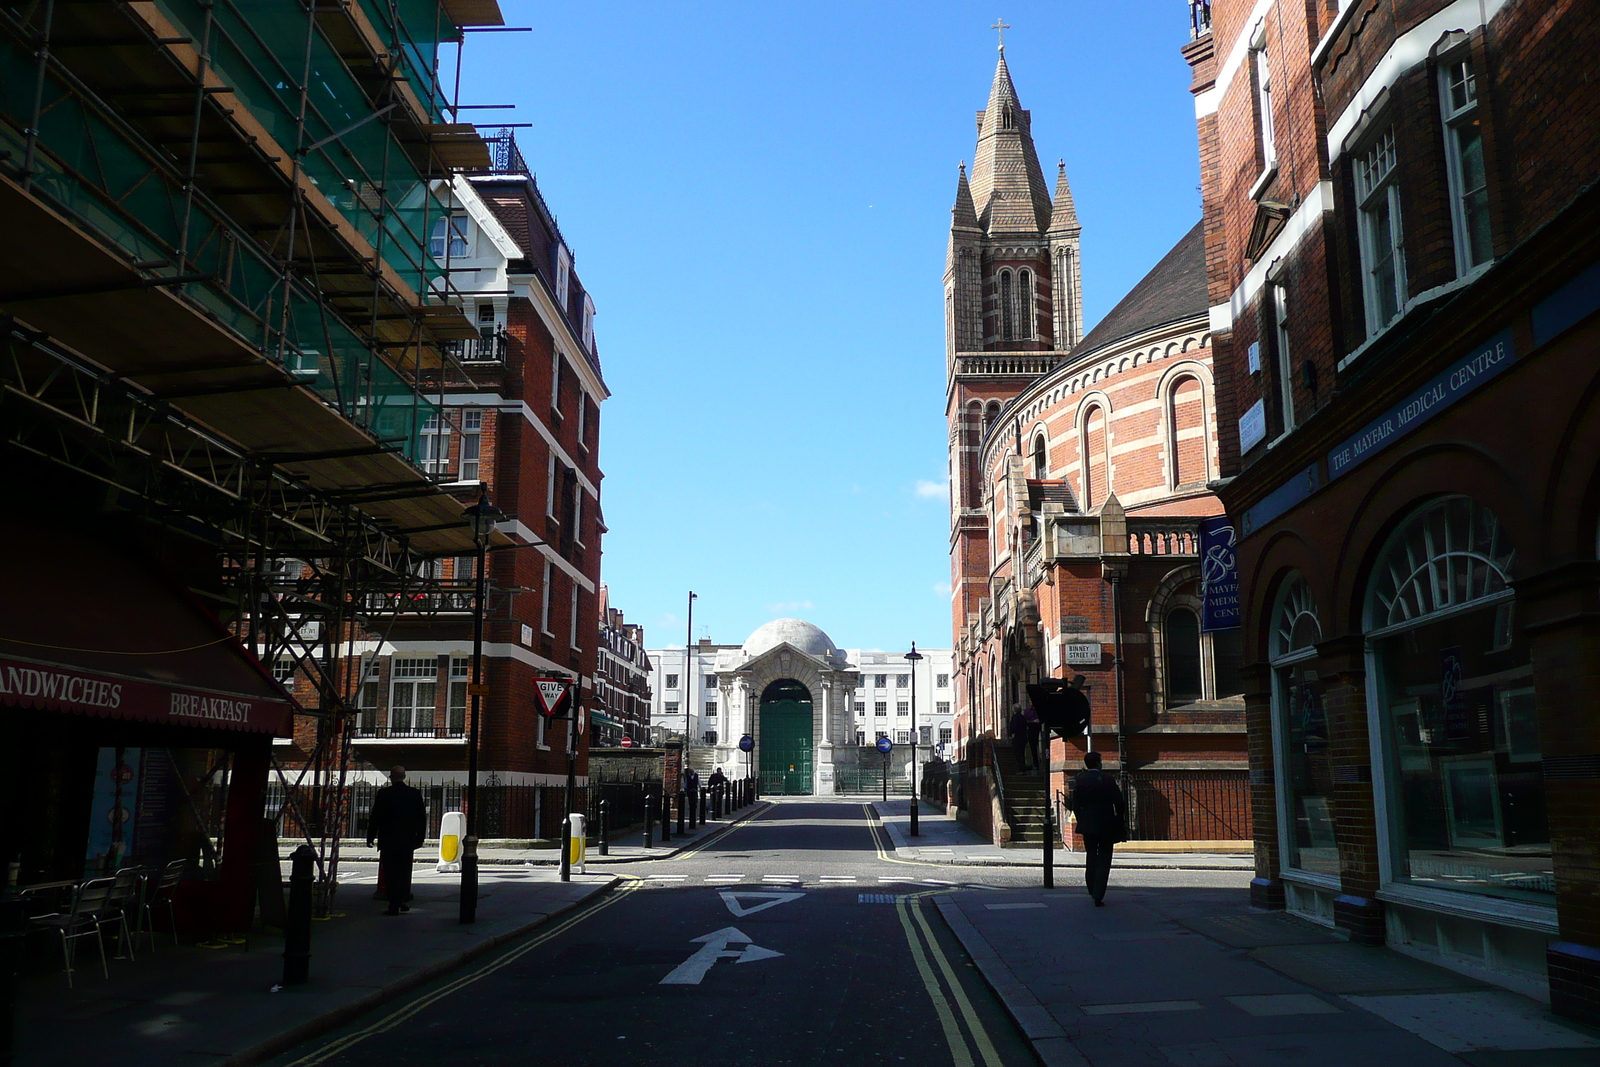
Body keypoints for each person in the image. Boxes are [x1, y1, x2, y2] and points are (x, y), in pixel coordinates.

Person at [367, 766, 427, 916]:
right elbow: (421, 818)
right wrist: (420, 838)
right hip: (407, 840)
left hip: (388, 839)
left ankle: (393, 904)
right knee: (404, 872)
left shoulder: (384, 794)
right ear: (404, 777)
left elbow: (375, 817)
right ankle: (403, 900)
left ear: (391, 777)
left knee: (390, 873)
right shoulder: (414, 794)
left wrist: (370, 836)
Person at [1069, 751, 1126, 907]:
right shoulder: (1107, 780)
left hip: (1088, 826)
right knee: (1105, 858)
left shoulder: (1080, 781)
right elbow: (1119, 802)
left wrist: (1082, 820)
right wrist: (1118, 819)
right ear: (1097, 763)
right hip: (1106, 825)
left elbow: (1075, 805)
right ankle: (1098, 893)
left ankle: (1091, 886)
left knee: (1091, 856)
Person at [1023, 704, 1043, 773]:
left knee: (1041, 748)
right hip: (1031, 729)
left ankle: (1041, 763)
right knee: (1033, 748)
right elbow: (1025, 721)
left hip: (1040, 729)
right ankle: (1036, 764)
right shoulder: (1027, 710)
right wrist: (1033, 722)